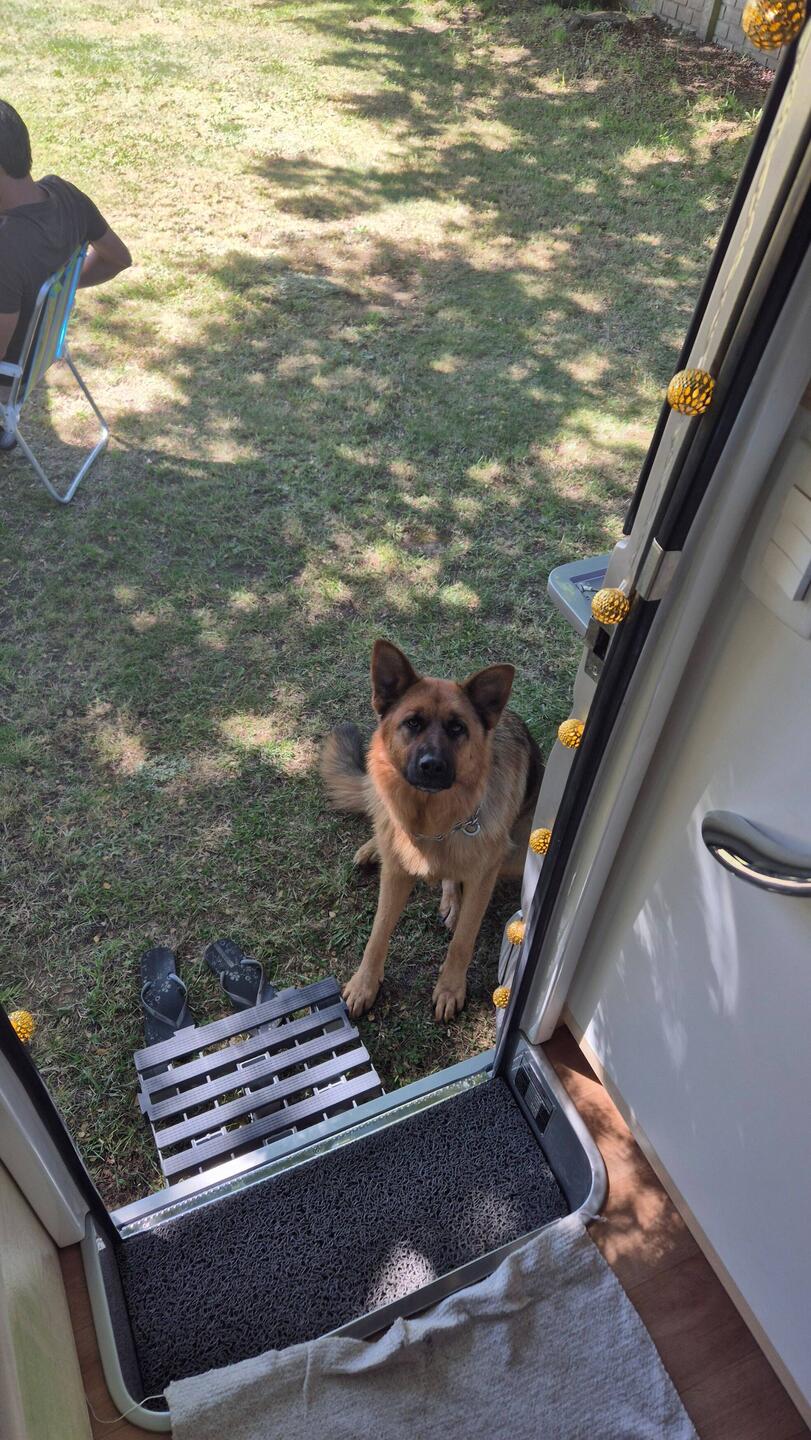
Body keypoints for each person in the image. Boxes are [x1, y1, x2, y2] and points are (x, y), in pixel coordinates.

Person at [0, 99, 131, 449]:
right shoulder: (65, 195)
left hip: (9, 379)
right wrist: (61, 288)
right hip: (39, 354)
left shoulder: (6, 248)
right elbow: (117, 258)